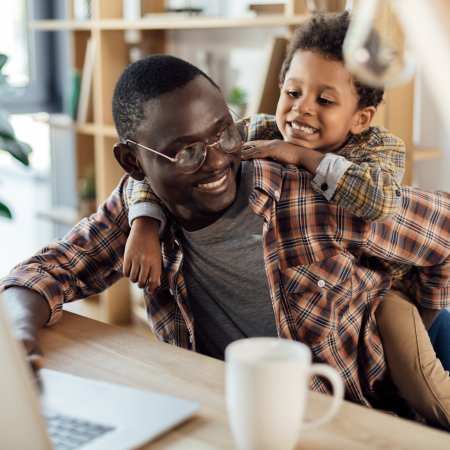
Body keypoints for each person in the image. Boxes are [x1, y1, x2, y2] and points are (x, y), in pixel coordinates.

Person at [2, 53, 450, 426]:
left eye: (223, 132)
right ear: (134, 163)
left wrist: (425, 311)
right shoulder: (138, 212)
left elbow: (445, 225)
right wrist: (19, 332)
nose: (217, 162)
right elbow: (46, 269)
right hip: (250, 417)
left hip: (365, 407)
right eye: (187, 152)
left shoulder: (304, 197)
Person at [122, 12, 450, 428]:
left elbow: (379, 201)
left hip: (392, 295)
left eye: (325, 101)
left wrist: (304, 158)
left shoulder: (378, 147)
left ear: (360, 118)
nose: (301, 110)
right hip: (340, 304)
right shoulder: (257, 129)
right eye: (293, 92)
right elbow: (177, 161)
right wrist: (145, 223)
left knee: (427, 394)